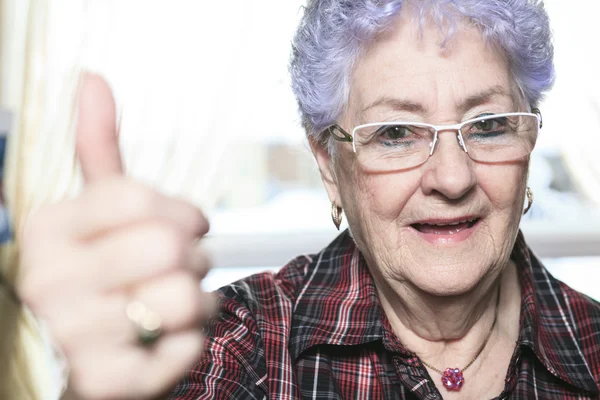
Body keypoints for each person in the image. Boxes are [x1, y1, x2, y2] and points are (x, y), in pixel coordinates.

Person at [14, 0, 600, 399]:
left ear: (530, 140)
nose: (452, 177)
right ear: (329, 165)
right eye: (395, 133)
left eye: (490, 124)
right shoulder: (241, 347)